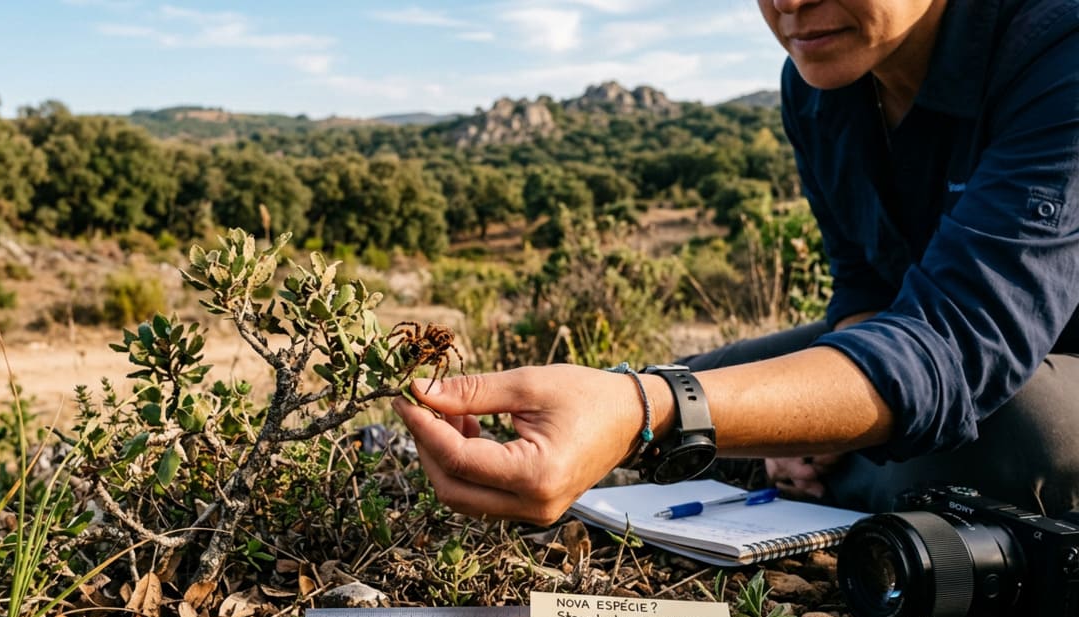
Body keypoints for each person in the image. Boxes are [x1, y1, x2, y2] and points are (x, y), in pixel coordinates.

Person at [393, 0, 1079, 524]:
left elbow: (958, 343)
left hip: (1035, 374)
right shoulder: (819, 82)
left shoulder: (1059, 46)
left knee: (1030, 431)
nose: (789, 2)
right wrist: (785, 415)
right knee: (705, 377)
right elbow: (869, 293)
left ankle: (721, 462)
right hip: (931, 347)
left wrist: (660, 411)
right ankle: (489, 443)